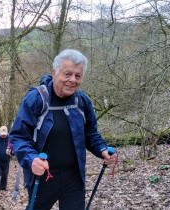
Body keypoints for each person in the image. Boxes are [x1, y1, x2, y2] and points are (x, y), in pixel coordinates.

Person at [10, 49, 117, 209]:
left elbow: (90, 133)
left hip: (73, 176)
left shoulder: (82, 101)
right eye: (67, 74)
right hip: (43, 176)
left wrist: (102, 149)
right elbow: (19, 137)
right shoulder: (36, 99)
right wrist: (31, 159)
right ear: (54, 72)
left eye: (78, 76)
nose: (72, 80)